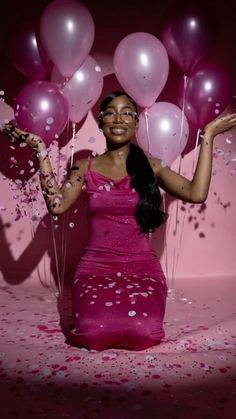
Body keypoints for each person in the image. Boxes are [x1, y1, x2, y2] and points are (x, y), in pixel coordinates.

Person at [3, 91, 236, 351]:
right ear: (101, 122)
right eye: (111, 112)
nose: (119, 118)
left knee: (145, 333)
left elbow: (196, 193)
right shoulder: (84, 168)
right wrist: (40, 150)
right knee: (90, 332)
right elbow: (56, 206)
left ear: (136, 124)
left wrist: (209, 136)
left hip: (142, 270)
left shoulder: (152, 167)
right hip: (95, 270)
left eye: (127, 113)